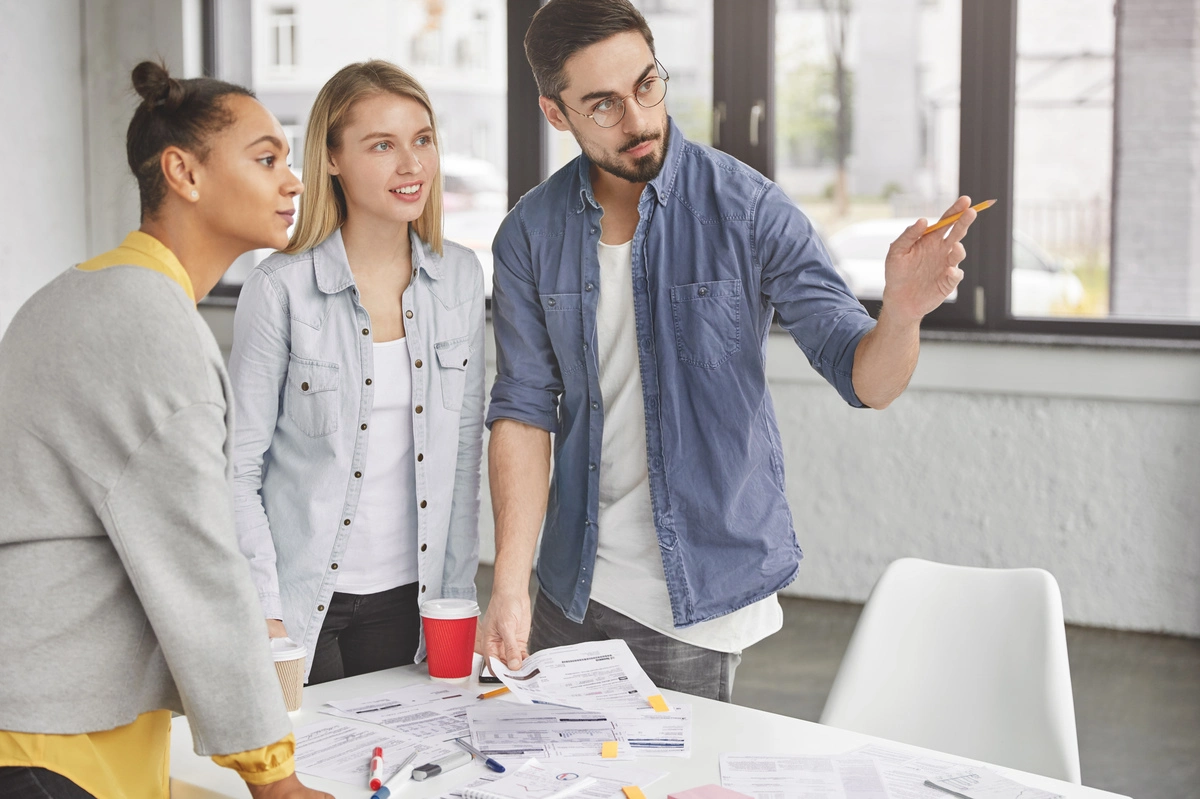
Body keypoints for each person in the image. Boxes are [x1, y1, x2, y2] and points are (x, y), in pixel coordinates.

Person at [479, 0, 978, 702]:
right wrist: (508, 585)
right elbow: (524, 410)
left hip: (695, 601)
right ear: (556, 114)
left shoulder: (748, 208)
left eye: (646, 85)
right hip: (570, 587)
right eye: (604, 105)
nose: (638, 120)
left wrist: (901, 313)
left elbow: (866, 380)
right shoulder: (529, 234)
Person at [0, 62, 330, 798]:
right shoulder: (147, 322)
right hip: (50, 750)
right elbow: (200, 564)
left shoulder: (82, 293)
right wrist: (275, 778)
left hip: (50, 727)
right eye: (266, 159)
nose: (293, 183)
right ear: (183, 172)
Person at [229, 59, 485, 686]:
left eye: (422, 139)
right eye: (382, 145)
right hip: (298, 602)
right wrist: (266, 612)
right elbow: (238, 469)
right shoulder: (280, 288)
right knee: (303, 750)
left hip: (414, 601)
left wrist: (456, 597)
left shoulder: (460, 276)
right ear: (332, 159)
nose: (412, 165)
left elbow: (462, 455)